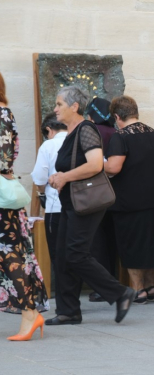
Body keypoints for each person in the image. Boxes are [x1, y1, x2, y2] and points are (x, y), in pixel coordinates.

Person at [47, 86, 135, 326]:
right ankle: (68, 311)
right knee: (64, 256)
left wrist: (64, 177)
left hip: (86, 203)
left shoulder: (87, 129)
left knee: (76, 254)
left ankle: (119, 293)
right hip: (71, 203)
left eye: (59, 104)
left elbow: (96, 164)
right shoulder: (69, 134)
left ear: (74, 107)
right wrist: (59, 177)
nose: (55, 108)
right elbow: (74, 167)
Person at [104, 95, 154, 304]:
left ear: (117, 116)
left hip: (130, 203)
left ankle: (138, 290)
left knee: (131, 247)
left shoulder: (120, 136)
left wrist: (96, 163)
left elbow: (114, 167)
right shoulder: (153, 133)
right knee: (150, 246)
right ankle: (150, 287)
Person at [0, 72, 49, 340]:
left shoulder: (2, 114)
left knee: (12, 257)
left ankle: (30, 314)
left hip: (2, 205)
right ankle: (31, 314)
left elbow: (4, 158)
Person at [87, 97, 117, 302]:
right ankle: (113, 281)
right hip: (116, 194)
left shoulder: (92, 132)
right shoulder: (116, 132)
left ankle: (102, 287)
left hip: (96, 193)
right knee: (111, 240)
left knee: (97, 242)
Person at [31, 113, 68, 275]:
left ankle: (65, 292)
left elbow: (39, 179)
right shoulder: (79, 139)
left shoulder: (48, 146)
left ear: (49, 129)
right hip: (83, 206)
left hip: (56, 206)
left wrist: (41, 190)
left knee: (58, 253)